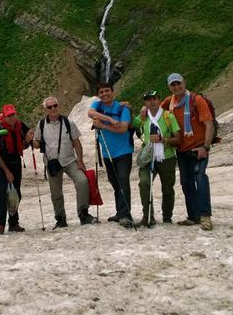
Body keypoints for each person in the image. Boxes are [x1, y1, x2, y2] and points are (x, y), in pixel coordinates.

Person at [162, 73, 214, 231]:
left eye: (179, 83)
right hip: (182, 149)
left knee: (200, 177)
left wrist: (205, 147)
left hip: (198, 147)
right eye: (173, 85)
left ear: (184, 83)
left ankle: (205, 216)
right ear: (169, 87)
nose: (177, 87)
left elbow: (209, 125)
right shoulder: (169, 102)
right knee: (186, 183)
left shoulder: (196, 100)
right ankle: (193, 216)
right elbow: (154, 109)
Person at [33, 96, 94, 228]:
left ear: (58, 106)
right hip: (52, 163)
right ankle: (60, 219)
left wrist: (80, 161)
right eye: (50, 107)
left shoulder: (68, 122)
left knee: (82, 181)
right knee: (56, 193)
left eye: (55, 105)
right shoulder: (41, 124)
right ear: (46, 109)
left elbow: (76, 142)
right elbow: (37, 144)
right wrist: (33, 141)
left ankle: (83, 213)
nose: (53, 108)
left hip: (70, 160)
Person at [88, 82, 134, 227]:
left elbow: (123, 128)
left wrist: (103, 126)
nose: (104, 94)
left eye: (107, 91)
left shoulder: (123, 108)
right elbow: (90, 113)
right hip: (108, 154)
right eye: (101, 92)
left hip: (123, 151)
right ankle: (120, 212)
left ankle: (126, 215)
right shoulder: (97, 105)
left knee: (123, 182)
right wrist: (110, 120)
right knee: (115, 183)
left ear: (113, 92)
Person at [133, 91, 181, 226]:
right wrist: (127, 108)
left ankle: (167, 217)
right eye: (148, 100)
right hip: (148, 158)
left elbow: (178, 139)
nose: (151, 102)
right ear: (144, 103)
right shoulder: (143, 117)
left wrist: (163, 139)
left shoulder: (168, 116)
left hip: (167, 157)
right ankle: (148, 216)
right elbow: (131, 123)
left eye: (154, 98)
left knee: (167, 188)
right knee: (144, 183)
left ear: (159, 100)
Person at [0, 104, 34, 235]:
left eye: (13, 114)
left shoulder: (20, 126)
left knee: (16, 194)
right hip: (1, 166)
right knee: (3, 193)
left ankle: (13, 223)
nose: (11, 118)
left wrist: (29, 140)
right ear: (4, 116)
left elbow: (25, 144)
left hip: (15, 164)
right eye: (9, 115)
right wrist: (6, 171)